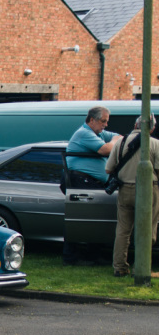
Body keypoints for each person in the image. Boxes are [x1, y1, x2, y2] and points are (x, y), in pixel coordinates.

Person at [63, 106, 120, 265]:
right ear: (92, 120)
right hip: (81, 181)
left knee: (94, 218)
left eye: (107, 122)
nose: (106, 125)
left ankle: (93, 255)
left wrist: (114, 140)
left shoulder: (98, 133)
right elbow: (105, 149)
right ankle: (72, 257)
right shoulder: (84, 134)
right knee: (80, 217)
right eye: (103, 121)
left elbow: (119, 137)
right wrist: (113, 141)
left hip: (91, 182)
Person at [105, 114, 159, 277]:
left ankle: (120, 267)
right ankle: (141, 268)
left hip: (125, 190)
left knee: (123, 230)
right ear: (152, 128)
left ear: (135, 125)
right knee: (147, 230)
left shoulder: (120, 143)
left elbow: (108, 169)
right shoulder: (155, 144)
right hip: (149, 190)